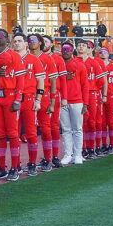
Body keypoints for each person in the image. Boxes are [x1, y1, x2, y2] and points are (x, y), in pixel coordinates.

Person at [0, 29, 24, 180]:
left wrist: (18, 99)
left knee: (13, 133)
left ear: (7, 39)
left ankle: (15, 167)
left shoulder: (15, 56)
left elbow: (20, 80)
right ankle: (2, 167)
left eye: (1, 35)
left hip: (10, 95)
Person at [12, 33, 45, 176]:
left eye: (19, 41)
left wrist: (38, 99)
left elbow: (41, 81)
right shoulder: (9, 58)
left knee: (31, 133)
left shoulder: (34, 59)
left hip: (29, 98)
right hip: (12, 98)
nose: (17, 43)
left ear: (25, 43)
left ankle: (32, 163)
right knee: (14, 134)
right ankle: (15, 164)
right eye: (15, 41)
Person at [28, 34, 58, 172]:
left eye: (34, 40)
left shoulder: (47, 59)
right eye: (29, 40)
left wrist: (53, 101)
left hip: (44, 94)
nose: (31, 42)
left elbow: (53, 82)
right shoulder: (25, 57)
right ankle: (32, 162)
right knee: (30, 130)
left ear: (40, 42)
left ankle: (47, 158)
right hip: (27, 95)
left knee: (45, 128)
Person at [59, 41, 88, 165]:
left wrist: (85, 103)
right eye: (63, 50)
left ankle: (78, 154)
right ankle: (67, 154)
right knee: (66, 129)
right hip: (62, 101)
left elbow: (85, 85)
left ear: (72, 51)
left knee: (77, 129)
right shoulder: (58, 64)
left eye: (68, 50)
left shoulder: (79, 65)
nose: (65, 52)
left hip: (76, 100)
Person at [45, 35, 67, 167]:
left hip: (54, 95)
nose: (43, 43)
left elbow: (63, 80)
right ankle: (46, 156)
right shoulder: (36, 57)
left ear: (51, 45)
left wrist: (64, 97)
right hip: (39, 95)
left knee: (53, 126)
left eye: (46, 41)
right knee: (44, 127)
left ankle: (54, 156)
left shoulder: (57, 59)